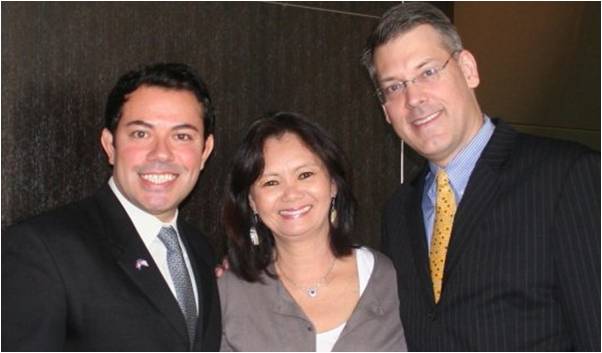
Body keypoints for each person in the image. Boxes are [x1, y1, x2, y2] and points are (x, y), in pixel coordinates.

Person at [360, 2, 600, 351]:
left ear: (468, 69)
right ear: (385, 111)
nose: (414, 98)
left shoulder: (568, 177)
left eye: (427, 72)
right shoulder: (398, 212)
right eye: (395, 87)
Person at [2, 63, 221, 351]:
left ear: (204, 151)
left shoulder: (201, 250)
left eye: (181, 136)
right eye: (141, 134)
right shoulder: (41, 249)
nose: (161, 153)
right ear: (110, 145)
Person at [218, 112, 406, 351]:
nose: (291, 194)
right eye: (271, 182)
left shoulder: (390, 279)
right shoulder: (227, 292)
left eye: (305, 175)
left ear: (333, 185)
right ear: (252, 202)